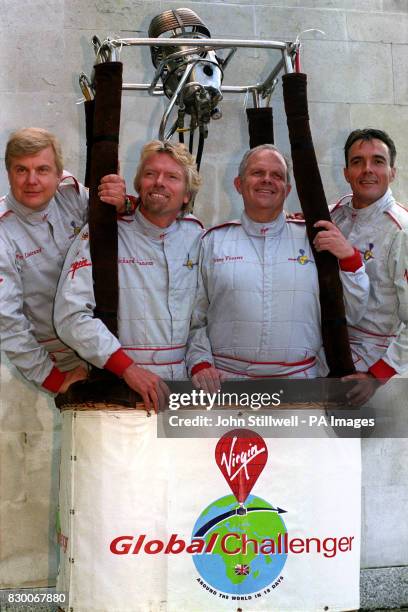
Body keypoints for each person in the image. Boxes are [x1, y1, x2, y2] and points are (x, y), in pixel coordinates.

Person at [186, 143, 368, 392]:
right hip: (225, 383)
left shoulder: (314, 240)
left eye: (277, 176)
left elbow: (353, 312)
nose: (267, 180)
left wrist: (349, 259)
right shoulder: (213, 242)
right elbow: (194, 320)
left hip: (300, 384)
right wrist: (200, 363)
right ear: (238, 184)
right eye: (257, 173)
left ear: (287, 189)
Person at [54, 139, 203, 412]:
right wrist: (127, 368)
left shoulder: (197, 235)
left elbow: (202, 319)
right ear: (138, 184)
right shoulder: (104, 234)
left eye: (172, 177)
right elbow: (70, 316)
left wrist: (201, 364)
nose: (159, 182)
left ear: (186, 195)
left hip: (182, 390)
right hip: (119, 386)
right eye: (150, 174)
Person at [0, 127, 127, 394]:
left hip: (111, 336)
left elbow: (113, 229)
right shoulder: (3, 231)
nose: (31, 180)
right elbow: (7, 322)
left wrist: (123, 204)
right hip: (63, 359)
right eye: (21, 170)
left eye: (42, 170)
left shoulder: (70, 193)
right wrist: (55, 380)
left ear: (59, 174)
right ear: (8, 173)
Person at [319, 128, 408, 402]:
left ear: (392, 172)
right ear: (346, 172)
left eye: (378, 161)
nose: (367, 170)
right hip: (329, 353)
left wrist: (377, 375)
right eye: (357, 161)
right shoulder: (336, 214)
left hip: (380, 368)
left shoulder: (402, 230)